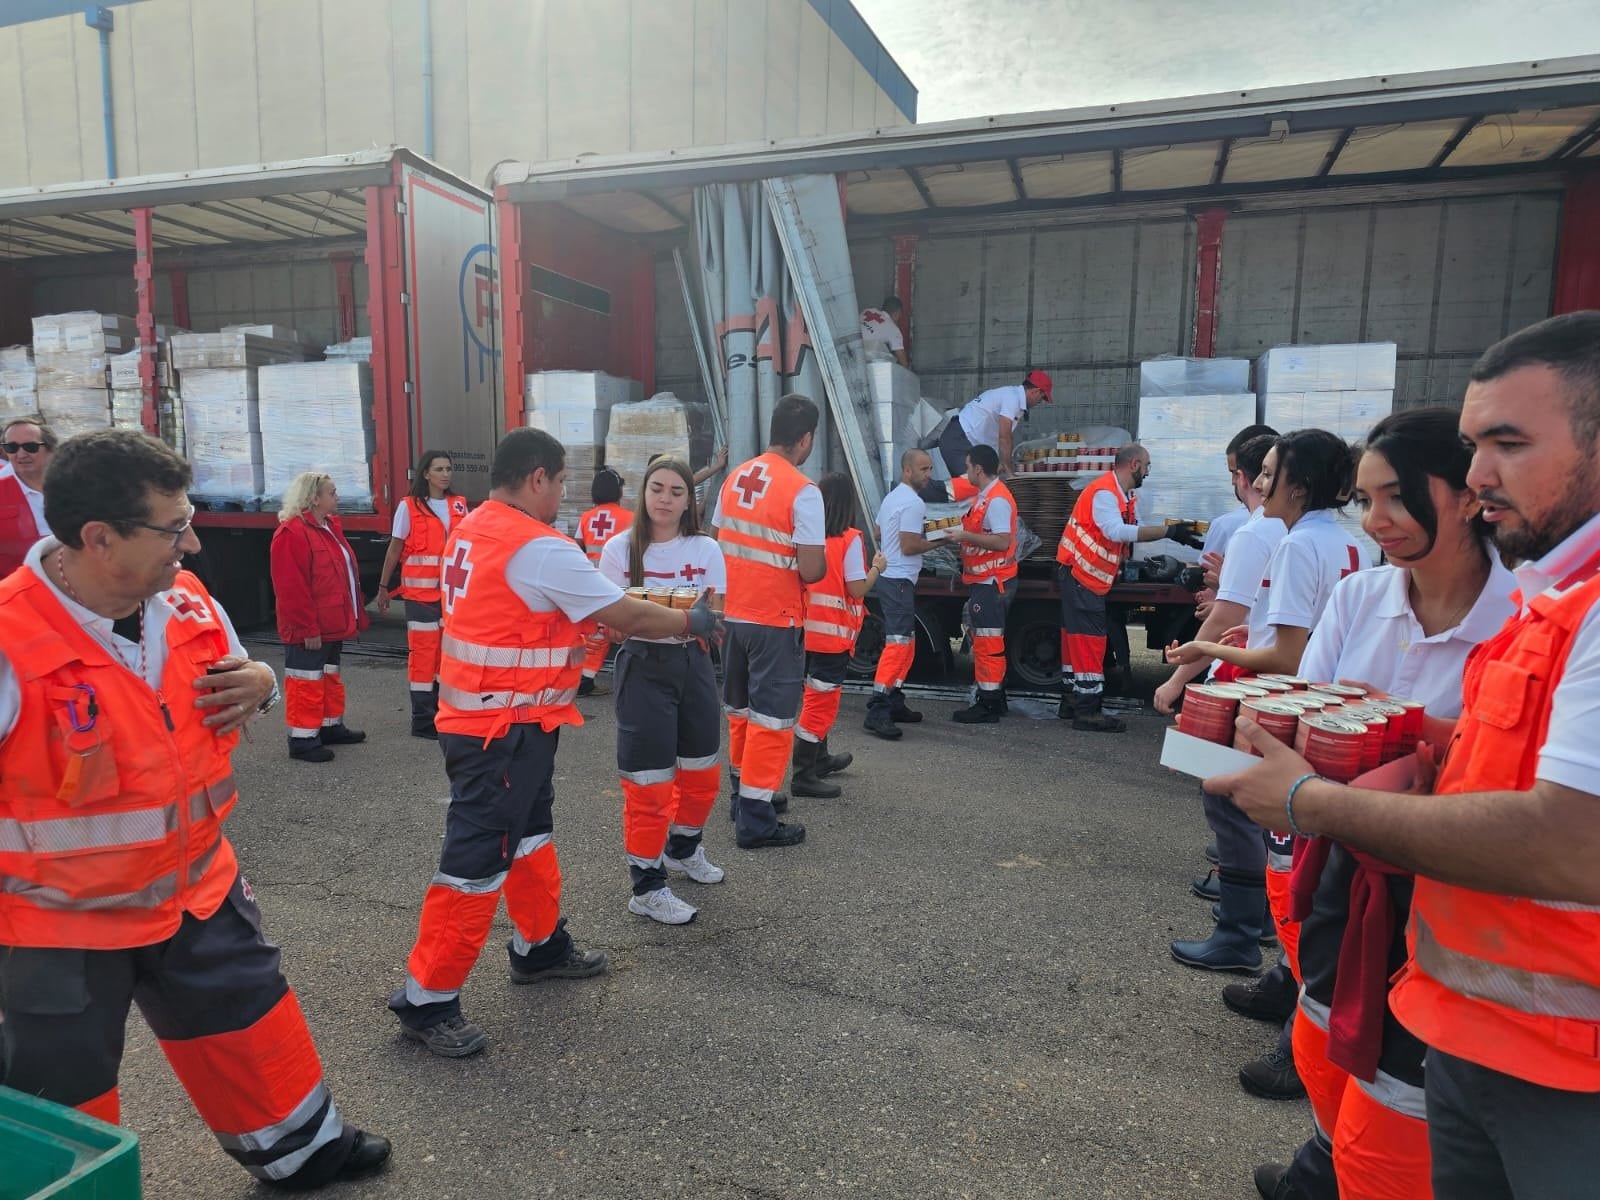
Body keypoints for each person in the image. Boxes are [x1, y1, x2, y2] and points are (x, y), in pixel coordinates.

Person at [1211, 313, 1600, 1200]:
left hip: (1557, 1062)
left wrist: (1317, 799)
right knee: (1342, 1086)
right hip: (1446, 985)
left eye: (1507, 444)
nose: (1481, 476)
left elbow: (1571, 837)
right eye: (1472, 447)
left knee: (1387, 1142)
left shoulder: (1543, 605)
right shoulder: (1549, 602)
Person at [0, 429, 390, 1189]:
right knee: (60, 1092)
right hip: (60, 924)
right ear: (99, 539)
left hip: (198, 890)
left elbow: (238, 672)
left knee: (250, 1026)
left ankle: (303, 1150)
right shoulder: (9, 640)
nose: (196, 543)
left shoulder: (181, 598)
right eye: (173, 528)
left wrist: (266, 686)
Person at [1248, 408, 1517, 1200]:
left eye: (1397, 497)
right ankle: (1325, 1165)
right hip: (1345, 867)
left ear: (1467, 494)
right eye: (1367, 500)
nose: (1378, 522)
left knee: (1408, 1091)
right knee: (1324, 1030)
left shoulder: (1524, 619)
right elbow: (1305, 716)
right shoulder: (1362, 597)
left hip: (1450, 890)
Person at [388, 427, 722, 1057]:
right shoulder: (537, 546)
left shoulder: (475, 525)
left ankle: (539, 947)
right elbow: (622, 614)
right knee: (475, 864)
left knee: (531, 836)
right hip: (501, 731)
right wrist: (690, 620)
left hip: (503, 724)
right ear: (538, 477)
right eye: (561, 480)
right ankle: (426, 999)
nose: (563, 493)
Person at [1165, 429, 1361, 974]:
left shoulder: (1293, 542)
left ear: (1299, 487)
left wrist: (1202, 651)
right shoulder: (1347, 539)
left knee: (1227, 797)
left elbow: (1290, 656)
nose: (1260, 485)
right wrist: (1251, 636)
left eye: (1272, 475)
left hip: (1285, 701)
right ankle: (1268, 948)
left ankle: (1241, 935)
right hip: (1323, 705)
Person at [598, 456, 728, 926]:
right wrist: (665, 620)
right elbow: (614, 623)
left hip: (693, 664)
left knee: (701, 773)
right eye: (657, 488)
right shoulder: (619, 548)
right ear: (643, 493)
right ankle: (647, 886)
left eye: (677, 491)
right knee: (648, 782)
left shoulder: (706, 549)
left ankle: (683, 849)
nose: (666, 499)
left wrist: (649, 615)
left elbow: (715, 618)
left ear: (689, 499)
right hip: (643, 667)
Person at [713, 394, 826, 850]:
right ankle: (756, 820)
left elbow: (718, 540)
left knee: (740, 712)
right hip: (775, 619)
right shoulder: (803, 491)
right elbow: (813, 569)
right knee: (773, 720)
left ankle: (744, 796)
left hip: (732, 617)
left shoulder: (736, 476)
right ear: (805, 439)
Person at [1057, 443, 1187, 732]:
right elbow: (1115, 532)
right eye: (1148, 465)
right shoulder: (1104, 492)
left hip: (1085, 576)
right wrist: (1169, 532)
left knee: (1077, 640)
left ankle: (1071, 701)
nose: (1148, 472)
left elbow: (1128, 532)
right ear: (1134, 465)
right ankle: (1087, 712)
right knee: (1089, 642)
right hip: (1082, 576)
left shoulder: (1123, 495)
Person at [795, 472, 887, 792]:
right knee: (820, 703)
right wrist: (877, 567)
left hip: (803, 634)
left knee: (813, 697)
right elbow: (857, 589)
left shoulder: (807, 538)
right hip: (832, 638)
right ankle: (804, 774)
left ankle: (819, 759)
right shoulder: (850, 539)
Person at [268, 472, 368, 763]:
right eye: (332, 492)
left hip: (330, 624)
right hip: (311, 628)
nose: (337, 497)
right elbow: (291, 588)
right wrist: (307, 628)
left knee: (328, 676)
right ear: (314, 498)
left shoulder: (327, 527)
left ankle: (329, 727)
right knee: (305, 681)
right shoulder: (292, 533)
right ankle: (302, 740)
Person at [375, 450, 469, 738]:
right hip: (420, 598)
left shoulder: (459, 505)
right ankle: (422, 720)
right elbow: (395, 548)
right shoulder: (409, 507)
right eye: (439, 469)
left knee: (447, 657)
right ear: (426, 474)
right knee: (423, 658)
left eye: (449, 468)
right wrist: (383, 586)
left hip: (451, 598)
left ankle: (443, 714)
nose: (445, 474)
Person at [864, 449, 940, 740]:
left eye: (930, 468)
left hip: (892, 577)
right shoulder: (913, 503)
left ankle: (893, 700)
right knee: (898, 644)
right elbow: (909, 546)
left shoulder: (893, 497)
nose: (929, 474)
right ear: (907, 471)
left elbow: (879, 530)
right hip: (898, 579)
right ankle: (878, 709)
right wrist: (939, 540)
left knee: (905, 643)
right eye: (923, 469)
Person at [946, 445, 1019, 724]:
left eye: (967, 467)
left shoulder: (996, 500)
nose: (966, 472)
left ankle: (988, 703)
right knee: (989, 640)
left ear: (978, 468)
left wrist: (965, 535)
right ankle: (994, 698)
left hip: (992, 582)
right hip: (988, 580)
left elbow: (1001, 541)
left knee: (988, 643)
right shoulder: (986, 497)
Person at [576, 467, 633, 698]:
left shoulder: (586, 517)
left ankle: (582, 676)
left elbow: (578, 545)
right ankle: (586, 680)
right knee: (607, 632)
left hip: (589, 581)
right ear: (618, 490)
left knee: (592, 632)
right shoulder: (629, 518)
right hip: (615, 583)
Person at [937, 370, 1053, 481]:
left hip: (966, 442)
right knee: (972, 485)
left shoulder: (1014, 400)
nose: (1040, 402)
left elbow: (998, 439)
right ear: (1036, 391)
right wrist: (1009, 472)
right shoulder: (1012, 398)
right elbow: (1004, 437)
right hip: (958, 439)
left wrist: (1000, 464)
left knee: (976, 487)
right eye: (1042, 397)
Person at [1202, 424, 1281, 561]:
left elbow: (1207, 572)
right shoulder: (1295, 523)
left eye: (1235, 473)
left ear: (1242, 476)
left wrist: (1221, 578)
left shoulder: (1238, 530)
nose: (1233, 481)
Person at [0, 416, 56, 578]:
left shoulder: (74, 486)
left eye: (30, 447)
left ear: (50, 449)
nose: (21, 454)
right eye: (11, 447)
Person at [861, 296, 908, 366]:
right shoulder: (893, 329)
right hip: (865, 358)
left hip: (848, 348)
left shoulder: (868, 310)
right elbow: (903, 361)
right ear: (896, 314)